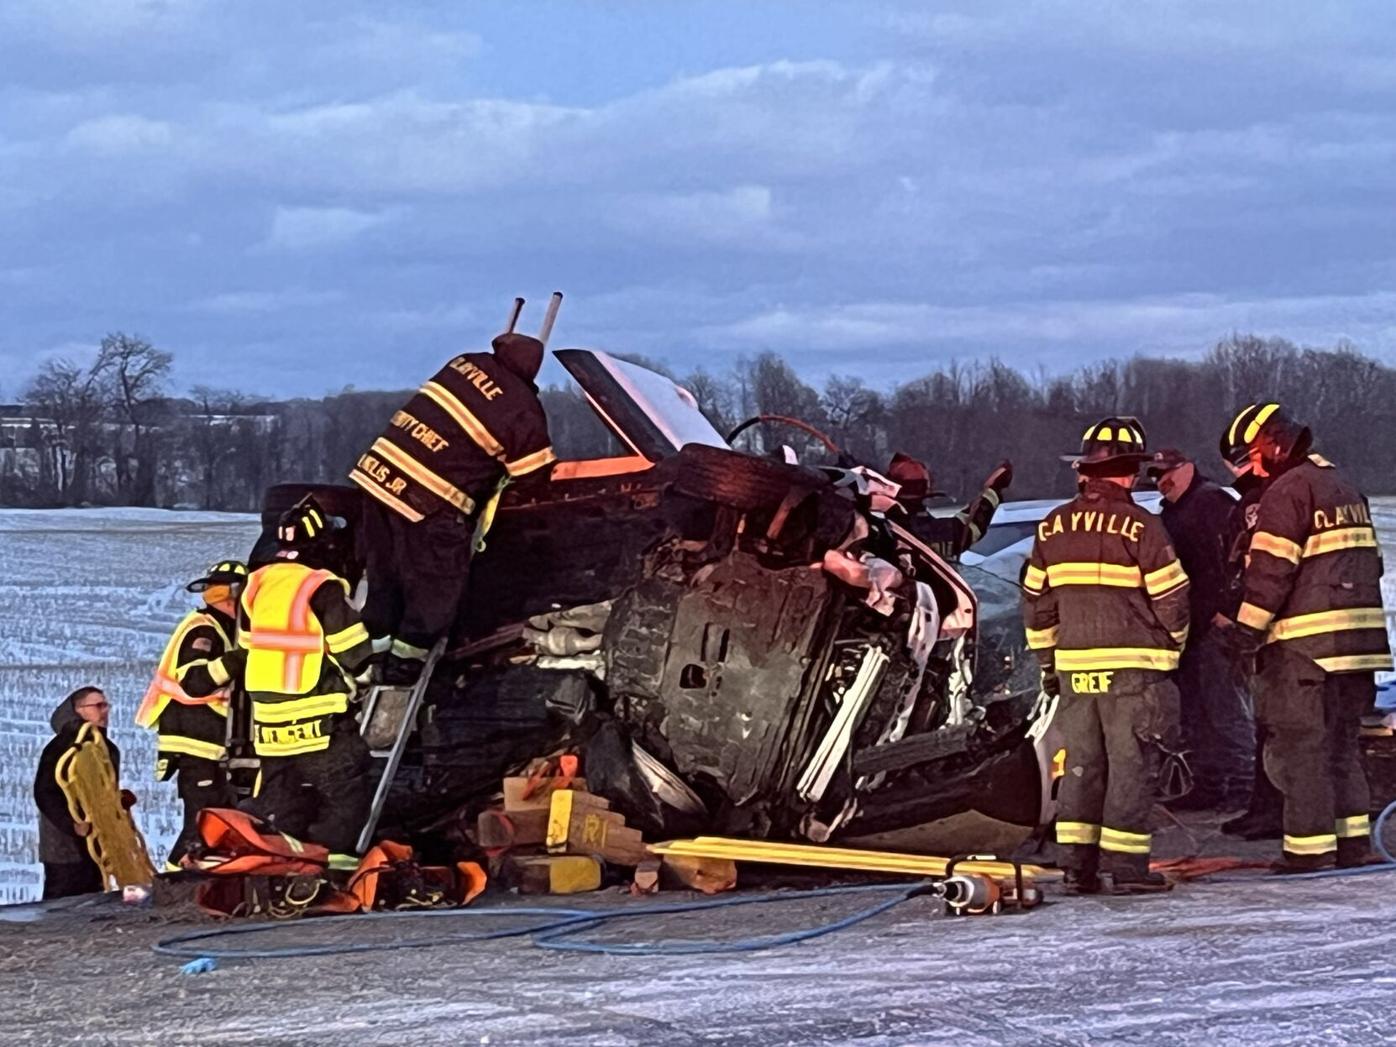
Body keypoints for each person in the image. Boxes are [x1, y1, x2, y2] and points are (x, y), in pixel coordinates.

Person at [1219, 403, 1392, 871]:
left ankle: (1309, 852)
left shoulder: (1287, 491)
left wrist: (1245, 634)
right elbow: (1371, 564)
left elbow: (1270, 575)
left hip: (1304, 651)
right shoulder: (1344, 486)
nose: (1251, 467)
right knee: (1342, 746)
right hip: (1358, 650)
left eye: (1252, 455)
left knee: (1302, 750)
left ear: (1276, 444)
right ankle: (1352, 844)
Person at [1022, 417, 1190, 894]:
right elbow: (1172, 599)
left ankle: (1077, 869)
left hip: (1075, 669)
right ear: (1130, 472)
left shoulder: (1052, 526)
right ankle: (1129, 871)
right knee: (1130, 767)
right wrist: (1173, 646)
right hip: (1136, 672)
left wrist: (1048, 664)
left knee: (1081, 766)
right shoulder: (1142, 526)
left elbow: (1036, 603)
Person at [179, 497, 376, 866]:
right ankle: (332, 865)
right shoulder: (320, 585)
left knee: (281, 796)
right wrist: (368, 675)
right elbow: (351, 648)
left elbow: (251, 647)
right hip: (319, 719)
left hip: (268, 722)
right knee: (348, 789)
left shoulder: (255, 585)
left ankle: (283, 862)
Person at [350, 331, 556, 684]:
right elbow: (535, 476)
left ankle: (374, 651)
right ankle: (407, 661)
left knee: (386, 572)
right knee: (436, 581)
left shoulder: (463, 364)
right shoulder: (522, 409)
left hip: (378, 477)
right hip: (429, 498)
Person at [1148, 450, 1254, 810]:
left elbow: (1240, 561)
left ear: (1188, 467)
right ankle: (1210, 786)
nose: (1160, 480)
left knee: (1225, 712)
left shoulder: (1211, 503)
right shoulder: (1173, 512)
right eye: (1155, 474)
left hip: (1215, 628)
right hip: (1188, 630)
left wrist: (1227, 612)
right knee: (1198, 714)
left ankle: (1243, 788)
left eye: (1166, 472)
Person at [136, 560, 246, 869]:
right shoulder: (204, 629)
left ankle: (182, 883)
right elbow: (195, 681)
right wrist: (239, 660)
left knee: (210, 823)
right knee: (199, 827)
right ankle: (172, 886)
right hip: (195, 743)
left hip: (211, 744)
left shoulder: (223, 627)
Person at [33, 687, 122, 898]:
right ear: (79, 710)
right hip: (65, 847)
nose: (105, 711)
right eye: (98, 706)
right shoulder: (62, 748)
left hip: (98, 842)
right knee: (61, 905)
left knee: (93, 902)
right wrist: (71, 825)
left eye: (105, 705)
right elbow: (45, 792)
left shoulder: (106, 748)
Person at [886, 452, 1013, 560]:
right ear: (925, 488)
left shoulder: (879, 526)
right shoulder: (929, 530)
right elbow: (969, 528)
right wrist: (992, 490)